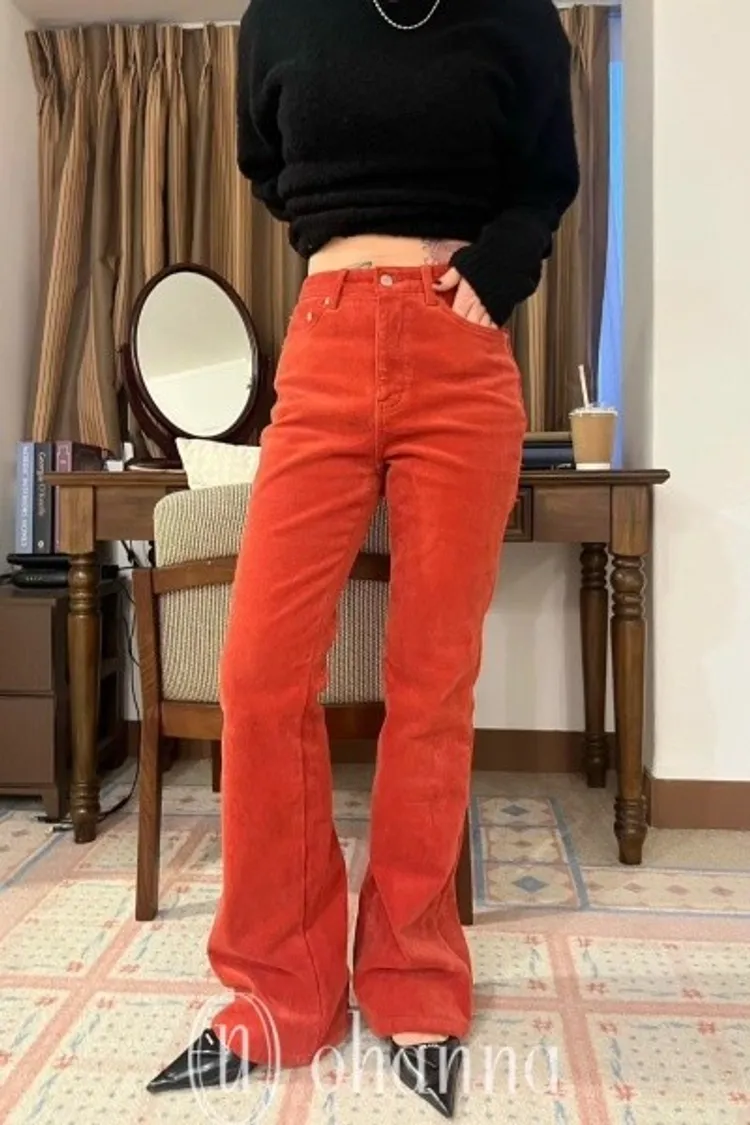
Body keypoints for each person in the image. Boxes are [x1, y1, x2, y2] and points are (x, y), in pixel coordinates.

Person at [148, 0, 579, 1115]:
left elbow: (548, 176)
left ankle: (414, 980)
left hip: (461, 348)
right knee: (258, 673)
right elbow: (266, 164)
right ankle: (280, 988)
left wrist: (502, 263)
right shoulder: (279, 17)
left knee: (432, 682)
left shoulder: (514, 14)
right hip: (327, 338)